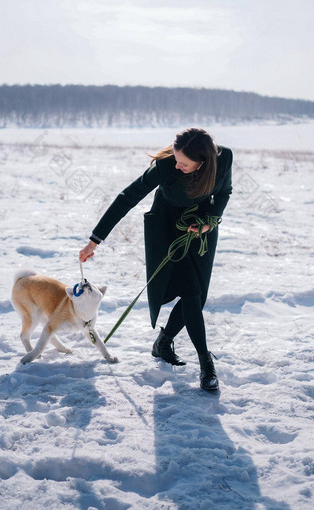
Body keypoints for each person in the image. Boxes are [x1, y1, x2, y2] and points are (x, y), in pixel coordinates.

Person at [79, 128, 232, 391]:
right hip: (168, 229)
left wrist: (209, 222)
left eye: (184, 163)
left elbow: (224, 193)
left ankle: (163, 342)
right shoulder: (165, 167)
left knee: (197, 296)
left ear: (203, 162)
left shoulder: (223, 158)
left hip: (201, 229)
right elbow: (127, 197)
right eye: (175, 158)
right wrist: (95, 239)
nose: (177, 164)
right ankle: (206, 365)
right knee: (190, 292)